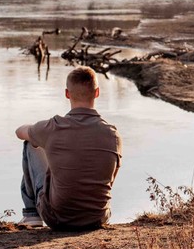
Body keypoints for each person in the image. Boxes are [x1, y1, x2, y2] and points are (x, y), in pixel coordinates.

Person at [15, 66, 122, 229]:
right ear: (97, 93)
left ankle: (31, 215)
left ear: (67, 94)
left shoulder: (53, 127)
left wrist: (38, 133)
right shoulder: (113, 135)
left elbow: (19, 132)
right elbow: (110, 181)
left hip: (58, 218)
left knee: (31, 142)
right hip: (98, 217)